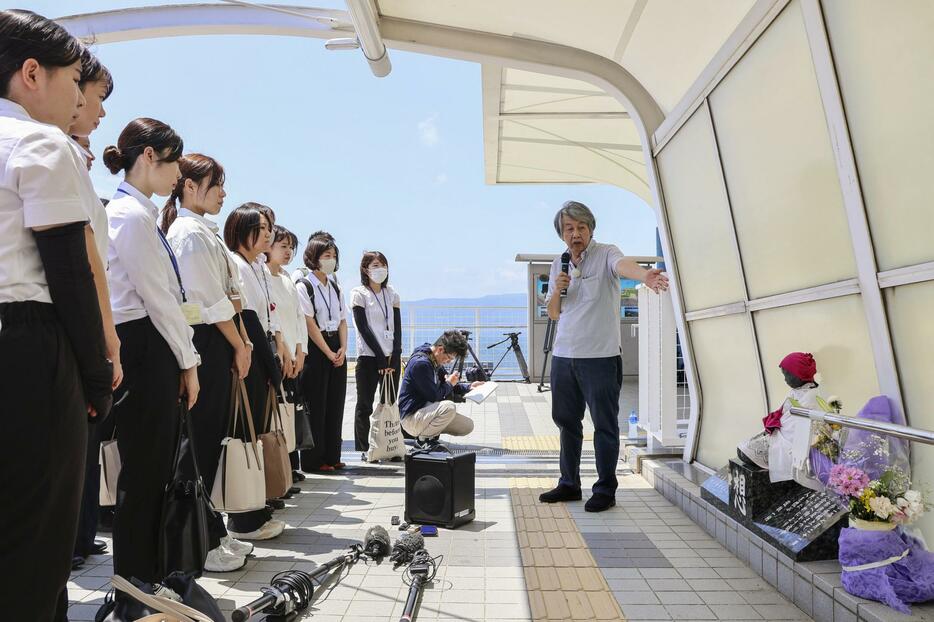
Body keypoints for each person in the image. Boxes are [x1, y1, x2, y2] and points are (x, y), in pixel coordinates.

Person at [0, 11, 113, 619]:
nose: (77, 98)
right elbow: (68, 268)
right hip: (27, 345)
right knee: (34, 539)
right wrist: (96, 376)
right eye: (75, 81)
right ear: (32, 72)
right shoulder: (38, 142)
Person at [104, 117, 202, 583]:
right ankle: (135, 582)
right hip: (144, 344)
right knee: (144, 473)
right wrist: (189, 362)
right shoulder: (130, 216)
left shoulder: (137, 214)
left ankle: (144, 577)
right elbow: (157, 297)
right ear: (148, 157)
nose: (176, 177)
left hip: (149, 342)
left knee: (151, 470)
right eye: (173, 165)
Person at [539, 201, 668, 513]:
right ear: (562, 234)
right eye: (569, 228)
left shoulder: (607, 252)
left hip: (600, 357)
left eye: (581, 227)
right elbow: (553, 313)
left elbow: (623, 265)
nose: (576, 233)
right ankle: (569, 483)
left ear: (591, 229)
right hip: (564, 356)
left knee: (605, 425)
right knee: (567, 423)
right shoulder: (560, 263)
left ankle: (605, 489)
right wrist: (557, 289)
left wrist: (645, 276)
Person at [163, 153, 255, 571]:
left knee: (208, 443)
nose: (223, 193)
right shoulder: (190, 233)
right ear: (189, 186)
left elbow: (228, 297)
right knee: (198, 446)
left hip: (217, 338)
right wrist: (239, 344)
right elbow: (210, 303)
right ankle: (198, 542)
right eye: (216, 184)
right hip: (208, 340)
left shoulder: (203, 232)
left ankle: (211, 531)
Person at [69, 47, 119, 572]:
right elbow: (80, 269)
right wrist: (100, 352)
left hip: (79, 340)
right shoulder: (44, 152)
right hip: (62, 337)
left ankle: (79, 540)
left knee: (79, 461)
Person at [224, 203, 286, 540]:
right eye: (261, 228)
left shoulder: (255, 266)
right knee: (245, 435)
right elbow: (248, 318)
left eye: (269, 228)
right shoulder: (237, 264)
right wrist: (271, 367)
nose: (268, 234)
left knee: (258, 434)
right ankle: (243, 518)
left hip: (263, 354)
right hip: (252, 355)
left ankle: (256, 507)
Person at [296, 231, 348, 472]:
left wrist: (343, 349)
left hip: (337, 346)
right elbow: (309, 323)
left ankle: (332, 455)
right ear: (314, 257)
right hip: (317, 350)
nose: (331, 260)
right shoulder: (304, 285)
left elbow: (342, 321)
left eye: (334, 256)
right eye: (327, 255)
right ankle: (314, 460)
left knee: (335, 405)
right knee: (317, 405)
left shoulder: (336, 287)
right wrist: (328, 352)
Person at [265, 225, 307, 486]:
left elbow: (299, 317)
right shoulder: (263, 278)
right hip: (280, 355)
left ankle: (290, 467)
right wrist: (287, 353)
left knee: (291, 414)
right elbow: (274, 320)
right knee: (276, 416)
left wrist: (301, 350)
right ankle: (279, 470)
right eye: (283, 246)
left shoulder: (288, 279)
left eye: (291, 247)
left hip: (294, 353)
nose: (288, 251)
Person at [350, 251, 402, 458]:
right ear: (365, 269)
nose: (380, 269)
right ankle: (364, 448)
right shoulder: (358, 294)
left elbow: (397, 327)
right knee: (365, 403)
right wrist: (380, 356)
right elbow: (363, 328)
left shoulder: (392, 294)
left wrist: (396, 354)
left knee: (389, 402)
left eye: (382, 264)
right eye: (374, 265)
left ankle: (388, 445)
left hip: (391, 357)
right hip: (369, 357)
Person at [397, 330, 483, 448]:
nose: (449, 362)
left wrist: (469, 387)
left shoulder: (434, 359)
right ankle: (424, 440)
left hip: (426, 412)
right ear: (440, 349)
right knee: (448, 407)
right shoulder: (420, 364)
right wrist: (449, 383)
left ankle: (430, 433)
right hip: (411, 418)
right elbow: (435, 395)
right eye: (449, 358)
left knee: (468, 426)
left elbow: (448, 383)